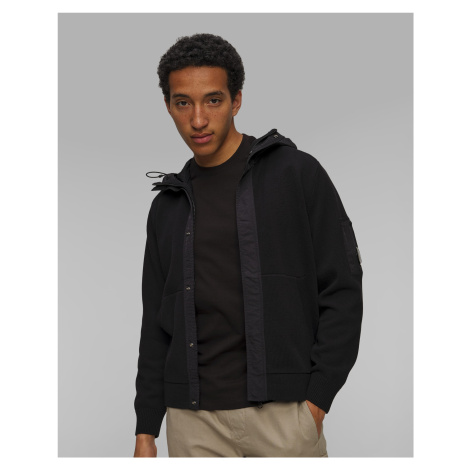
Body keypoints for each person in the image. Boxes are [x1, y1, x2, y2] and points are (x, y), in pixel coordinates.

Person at [133, 33, 363, 458]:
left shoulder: (295, 174)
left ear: (236, 100)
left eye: (213, 100)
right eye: (183, 103)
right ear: (168, 106)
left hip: (282, 417)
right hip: (192, 423)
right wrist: (146, 428)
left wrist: (317, 400)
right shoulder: (168, 205)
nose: (198, 119)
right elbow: (156, 324)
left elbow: (342, 287)